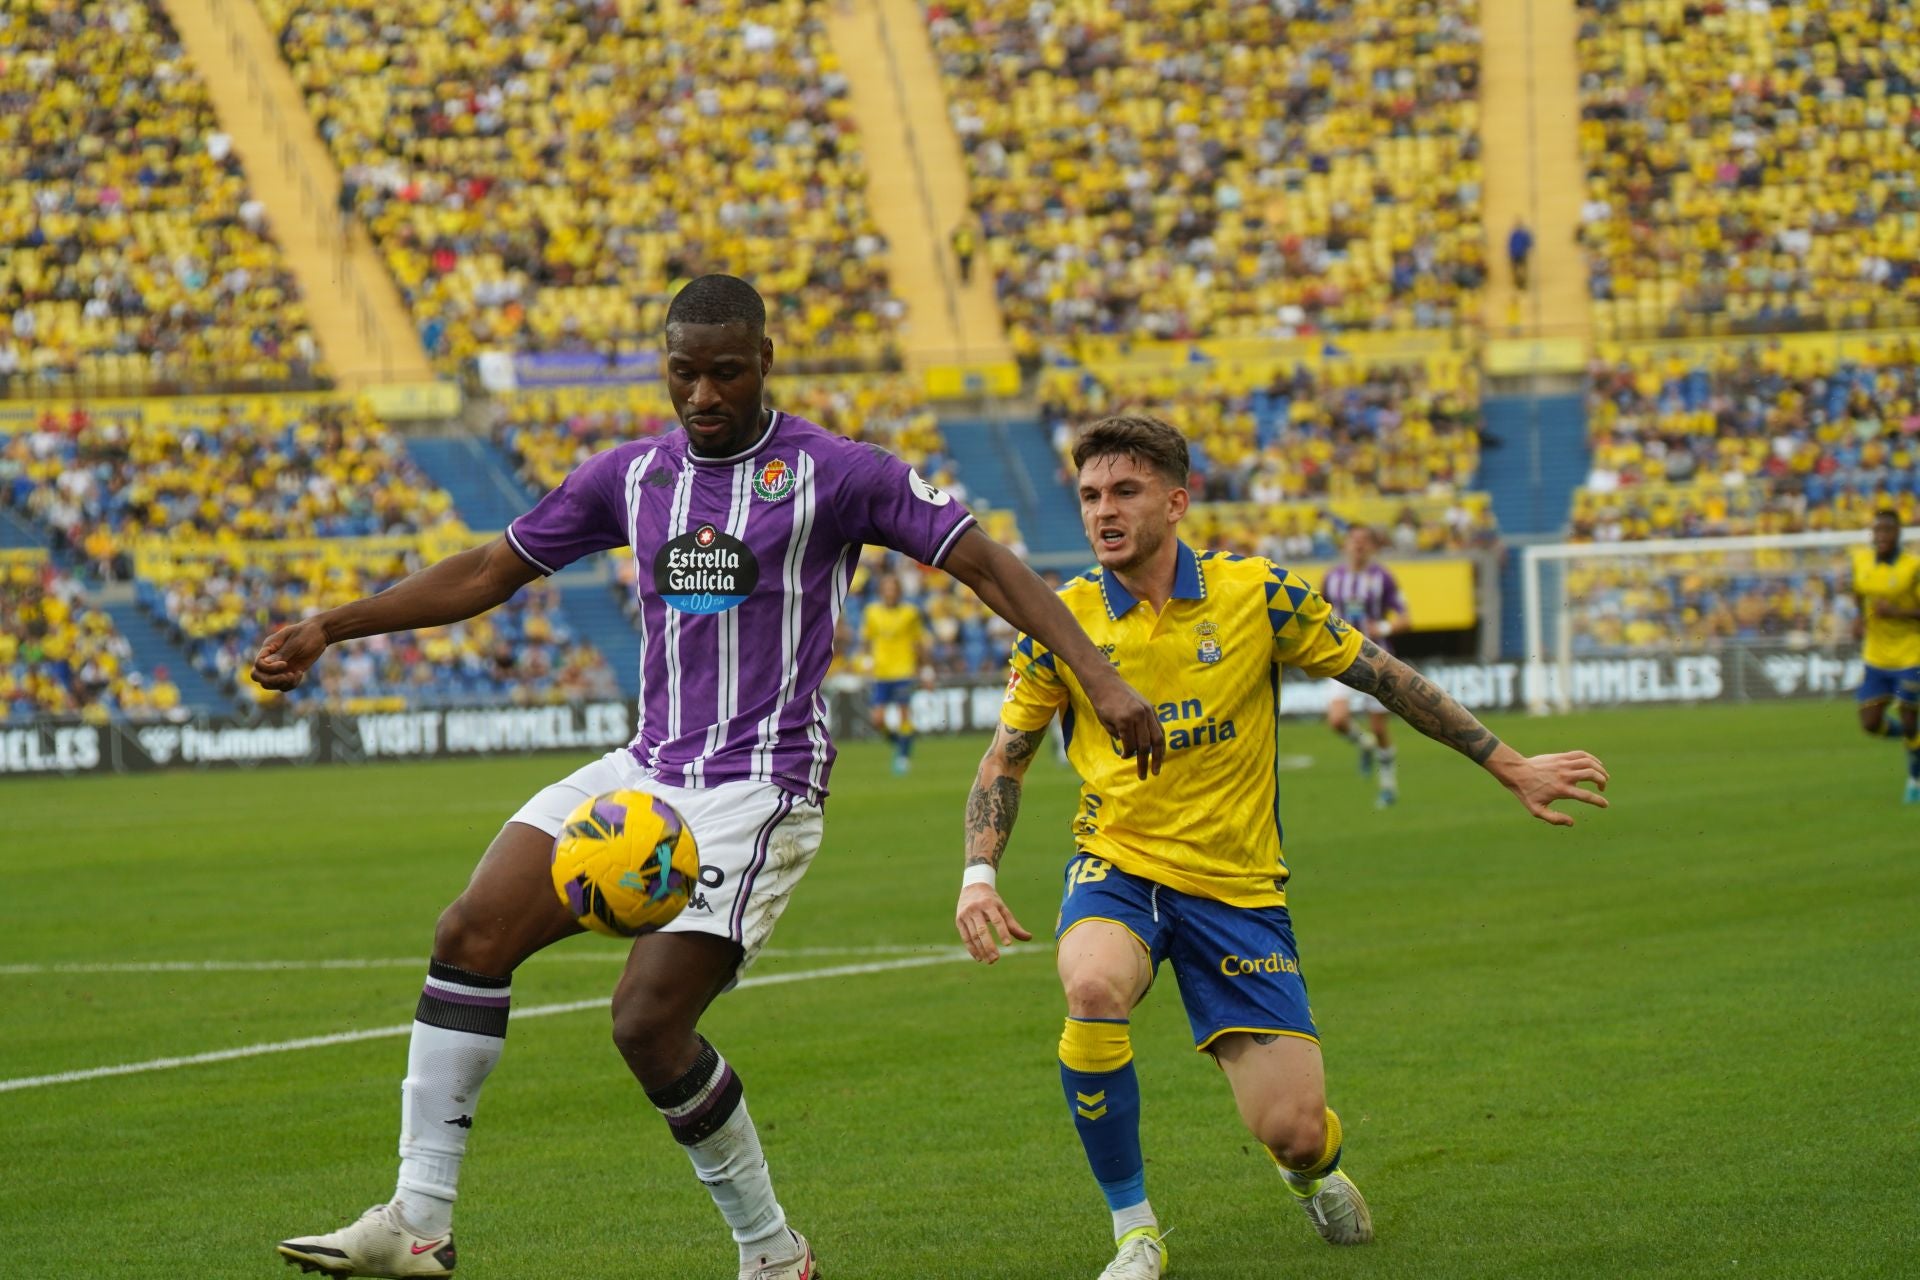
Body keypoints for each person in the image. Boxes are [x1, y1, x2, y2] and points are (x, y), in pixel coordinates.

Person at [261, 275, 1165, 1280]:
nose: (702, 394)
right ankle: (418, 1216)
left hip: (760, 785)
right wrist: (331, 626)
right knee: (467, 931)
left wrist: (1100, 675)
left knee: (648, 1021)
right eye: (684, 372)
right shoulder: (630, 476)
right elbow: (487, 571)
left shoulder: (837, 472)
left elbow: (985, 564)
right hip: (644, 768)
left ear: (763, 361)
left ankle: (773, 1254)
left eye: (725, 372)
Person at [954, 416, 1609, 1280]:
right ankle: (1136, 1231)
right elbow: (1006, 758)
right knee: (1091, 983)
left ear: (1178, 502)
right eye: (1089, 496)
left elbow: (1383, 674)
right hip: (1119, 867)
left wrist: (1507, 762)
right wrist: (977, 874)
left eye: (1125, 492)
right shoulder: (1062, 621)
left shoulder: (1257, 594)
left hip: (1239, 891)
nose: (1102, 512)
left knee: (1294, 1130)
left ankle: (1312, 1170)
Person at [1321, 526, 1411, 807]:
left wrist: (1382, 625)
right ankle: (1364, 743)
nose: (1358, 546)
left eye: (1363, 541)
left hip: (1377, 660)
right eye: (1354, 540)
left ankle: (1387, 787)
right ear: (1345, 545)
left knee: (1380, 727)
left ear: (1371, 546)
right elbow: (1320, 612)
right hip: (1342, 657)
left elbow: (1405, 618)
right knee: (1336, 719)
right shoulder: (1332, 578)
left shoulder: (1382, 578)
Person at [1849, 509, 1920, 803]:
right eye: (1876, 531)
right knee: (1870, 723)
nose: (1880, 536)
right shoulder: (1861, 561)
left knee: (1908, 718)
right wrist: (1858, 618)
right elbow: (1858, 590)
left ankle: (1915, 781)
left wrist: (1897, 613)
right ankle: (1912, 738)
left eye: (1887, 531)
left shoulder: (1912, 567)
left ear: (1898, 534)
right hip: (1876, 656)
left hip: (1909, 654)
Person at [861, 571, 929, 774]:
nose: (890, 592)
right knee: (877, 720)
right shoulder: (872, 612)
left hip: (903, 671)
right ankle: (901, 743)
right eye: (886, 589)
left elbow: (919, 642)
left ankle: (903, 758)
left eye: (893, 588)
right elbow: (867, 639)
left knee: (904, 715)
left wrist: (925, 669)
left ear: (899, 591)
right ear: (881, 591)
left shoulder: (910, 613)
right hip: (881, 673)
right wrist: (865, 660)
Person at [1507, 218, 1534, 291]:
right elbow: (1510, 245)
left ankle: (1522, 283)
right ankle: (1518, 282)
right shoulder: (1514, 234)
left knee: (1522, 270)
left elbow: (1529, 243)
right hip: (1515, 255)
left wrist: (1529, 248)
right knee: (1517, 270)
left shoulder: (1523, 234)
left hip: (1521, 254)